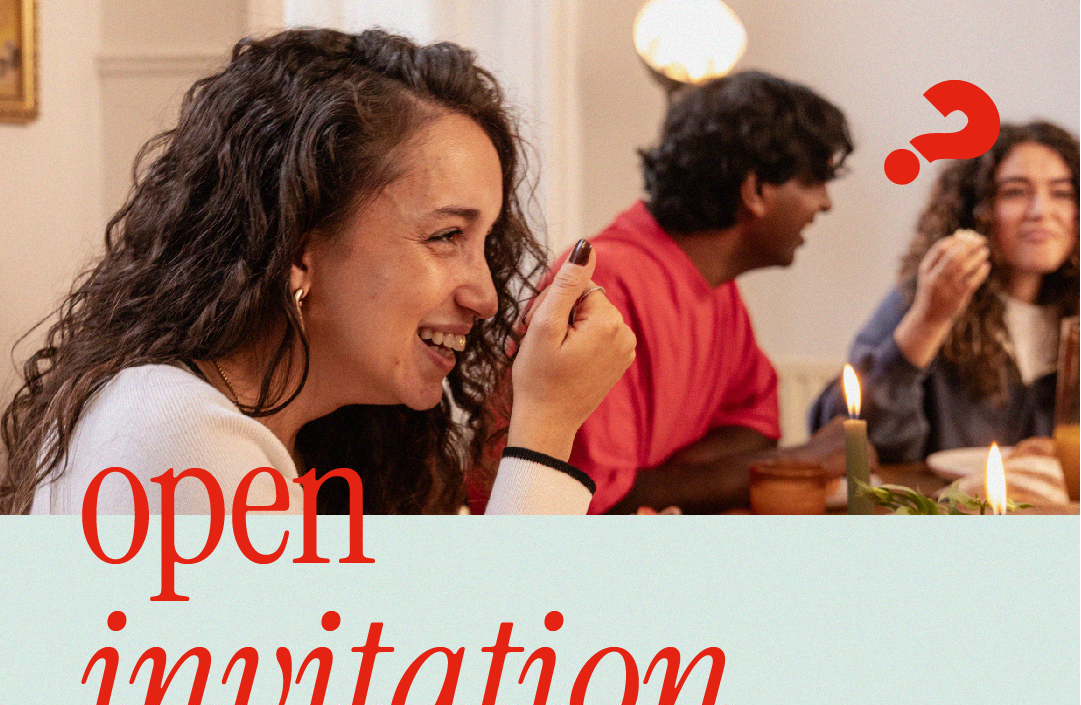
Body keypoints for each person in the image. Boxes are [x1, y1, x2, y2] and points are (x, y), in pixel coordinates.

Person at [1, 29, 635, 516]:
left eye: (485, 241)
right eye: (447, 236)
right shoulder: (177, 437)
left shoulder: (312, 441)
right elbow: (497, 647)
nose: (487, 297)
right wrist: (545, 427)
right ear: (299, 251)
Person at [494, 70, 856, 514]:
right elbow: (596, 501)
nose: (825, 203)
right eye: (813, 181)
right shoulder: (606, 285)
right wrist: (799, 463)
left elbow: (756, 430)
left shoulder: (718, 288)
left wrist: (666, 479)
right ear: (756, 189)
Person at [811, 122, 1080, 461]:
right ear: (976, 208)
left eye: (1062, 193)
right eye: (1015, 192)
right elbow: (846, 437)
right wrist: (929, 320)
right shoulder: (929, 293)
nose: (1040, 212)